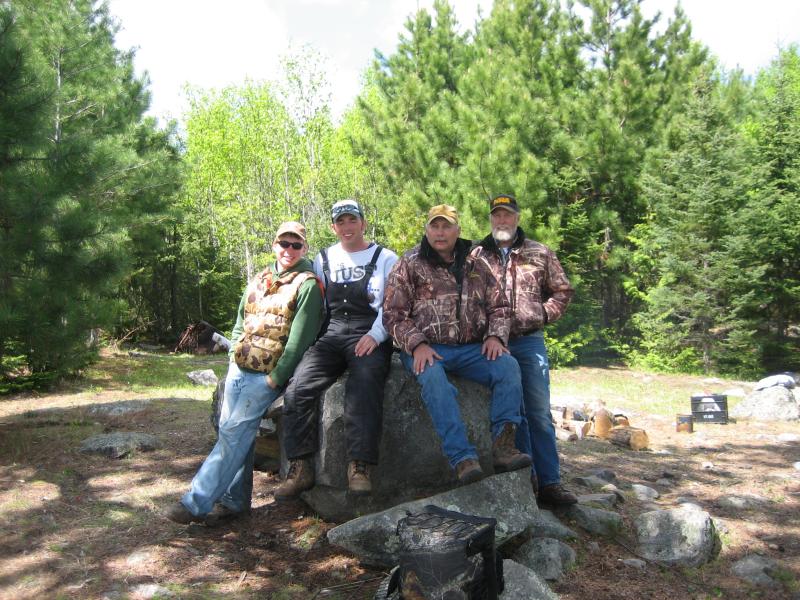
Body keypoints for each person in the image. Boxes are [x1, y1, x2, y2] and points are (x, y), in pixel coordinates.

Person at [164, 221, 324, 524]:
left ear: (304, 248)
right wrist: (232, 354)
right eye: (283, 243)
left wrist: (275, 378)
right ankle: (234, 501)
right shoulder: (260, 278)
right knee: (234, 435)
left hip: (266, 376)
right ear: (274, 245)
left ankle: (194, 503)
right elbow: (241, 320)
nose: (289, 250)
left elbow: (300, 340)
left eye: (296, 244)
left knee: (232, 436)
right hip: (238, 370)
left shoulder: (308, 285)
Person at [382, 204, 531, 484]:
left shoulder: (478, 261)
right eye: (434, 226)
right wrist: (416, 345)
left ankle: (504, 447)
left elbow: (500, 305)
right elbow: (393, 314)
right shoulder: (409, 262)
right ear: (426, 230)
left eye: (446, 226)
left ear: (457, 230)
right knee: (435, 381)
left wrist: (496, 335)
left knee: (508, 366)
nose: (440, 232)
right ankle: (462, 458)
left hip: (471, 349)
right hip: (428, 349)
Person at [276, 199, 398, 498]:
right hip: (331, 334)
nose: (347, 227)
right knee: (298, 388)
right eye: (340, 222)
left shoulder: (386, 258)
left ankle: (359, 466)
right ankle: (300, 466)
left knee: (364, 386)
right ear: (333, 227)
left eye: (352, 220)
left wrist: (377, 335)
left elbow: (394, 304)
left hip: (367, 331)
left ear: (363, 223)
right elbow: (310, 298)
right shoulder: (323, 258)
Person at [471, 194, 578, 506]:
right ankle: (523, 483)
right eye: (496, 215)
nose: (502, 221)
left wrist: (543, 314)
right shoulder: (476, 255)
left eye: (507, 215)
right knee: (510, 414)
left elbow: (563, 291)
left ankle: (550, 483)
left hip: (527, 341)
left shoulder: (539, 252)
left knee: (539, 414)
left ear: (517, 218)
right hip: (490, 343)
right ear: (490, 219)